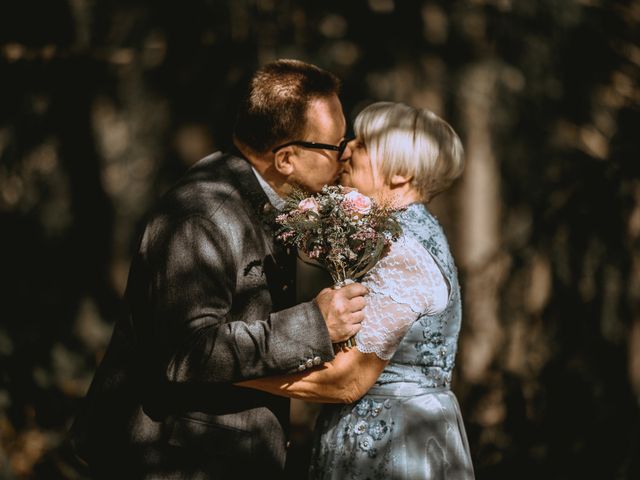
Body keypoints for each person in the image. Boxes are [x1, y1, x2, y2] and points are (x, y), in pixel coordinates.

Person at [69, 59, 368, 479]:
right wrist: (313, 324)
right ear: (285, 158)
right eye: (336, 146)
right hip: (175, 459)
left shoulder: (261, 199)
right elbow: (187, 351)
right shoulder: (204, 214)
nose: (344, 157)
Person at [238, 101, 475, 479]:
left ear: (400, 173)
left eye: (362, 144)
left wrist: (229, 372)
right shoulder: (411, 232)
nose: (345, 149)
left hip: (392, 445)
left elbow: (347, 380)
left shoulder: (403, 250)